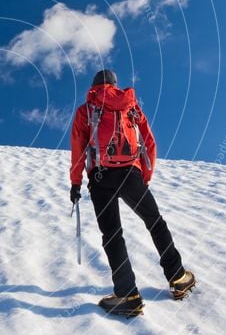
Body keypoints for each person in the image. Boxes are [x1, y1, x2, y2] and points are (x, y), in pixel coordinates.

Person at [69, 69, 195, 316]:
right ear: (115, 84)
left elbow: (78, 147)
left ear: (95, 85)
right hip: (131, 173)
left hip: (100, 176)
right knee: (155, 223)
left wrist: (75, 183)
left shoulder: (87, 109)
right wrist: (144, 176)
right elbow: (149, 141)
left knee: (112, 234)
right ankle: (178, 278)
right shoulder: (130, 105)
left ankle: (128, 295)